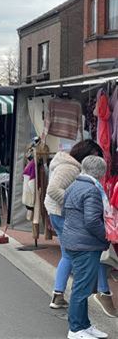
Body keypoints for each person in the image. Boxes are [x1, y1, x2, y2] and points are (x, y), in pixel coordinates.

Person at [45, 140, 116, 317]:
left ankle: (59, 294)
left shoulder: (70, 166)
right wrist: (74, 204)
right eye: (96, 156)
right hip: (61, 214)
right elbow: (53, 190)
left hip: (60, 213)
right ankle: (98, 294)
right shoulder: (70, 168)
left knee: (69, 254)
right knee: (77, 255)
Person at [61, 156, 110, 339]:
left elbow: (65, 212)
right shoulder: (92, 190)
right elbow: (91, 221)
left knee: (82, 285)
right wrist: (106, 236)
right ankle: (75, 329)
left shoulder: (73, 185)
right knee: (82, 288)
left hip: (73, 241)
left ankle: (84, 325)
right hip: (86, 244)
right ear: (100, 172)